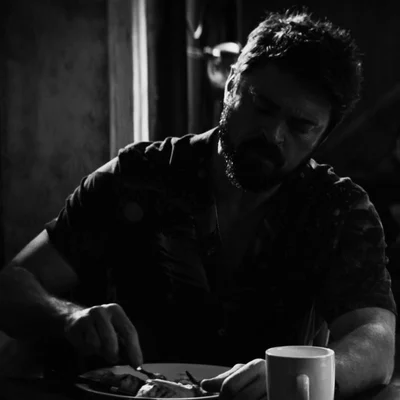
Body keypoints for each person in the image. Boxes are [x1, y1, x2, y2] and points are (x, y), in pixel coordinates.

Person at [0, 8, 397, 400]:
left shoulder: (337, 208)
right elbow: (12, 284)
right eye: (262, 106)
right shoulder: (137, 177)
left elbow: (375, 340)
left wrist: (303, 376)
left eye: (301, 126)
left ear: (324, 134)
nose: (273, 135)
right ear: (231, 85)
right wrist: (67, 316)